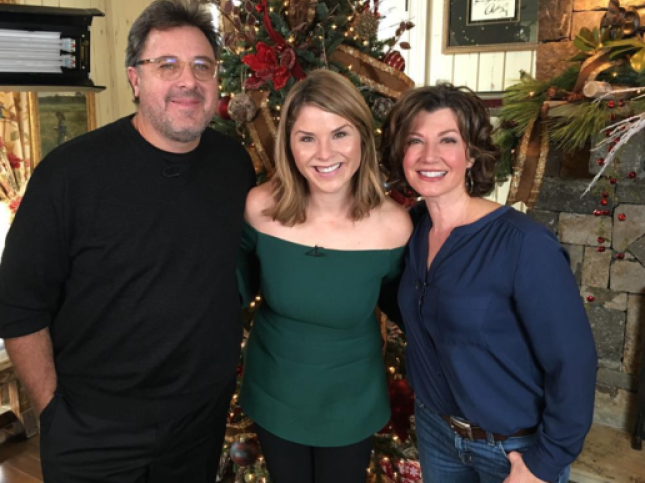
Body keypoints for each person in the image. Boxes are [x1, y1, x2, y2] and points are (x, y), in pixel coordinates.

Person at [0, 0, 255, 483]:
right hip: (93, 429)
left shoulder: (234, 165)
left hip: (199, 423)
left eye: (203, 66)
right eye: (167, 65)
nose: (188, 81)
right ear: (136, 78)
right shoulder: (69, 175)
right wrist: (53, 413)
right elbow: (18, 305)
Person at [381, 83, 597, 483]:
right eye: (416, 141)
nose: (430, 156)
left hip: (515, 450)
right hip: (437, 433)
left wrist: (546, 463)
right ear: (401, 152)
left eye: (447, 140)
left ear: (471, 153)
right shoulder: (408, 231)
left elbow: (573, 362)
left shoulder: (524, 244)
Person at [238, 69, 413, 483]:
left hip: (351, 400)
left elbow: (407, 305)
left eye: (340, 133)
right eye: (306, 138)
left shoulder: (394, 226)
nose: (324, 153)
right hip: (275, 391)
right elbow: (228, 286)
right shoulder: (260, 208)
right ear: (289, 145)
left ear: (362, 139)